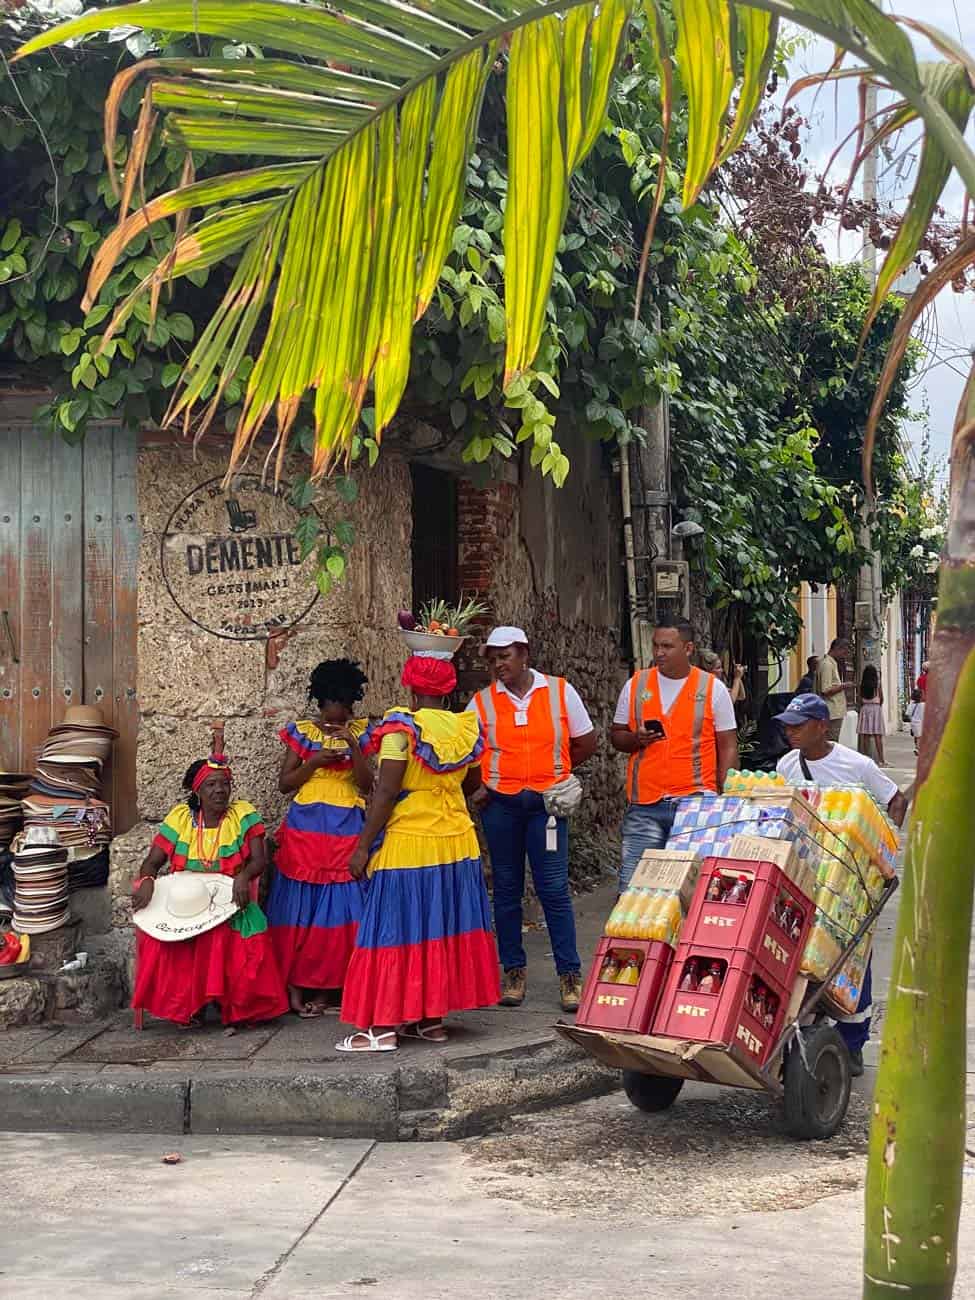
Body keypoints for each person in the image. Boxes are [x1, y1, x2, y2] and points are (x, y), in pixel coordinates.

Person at [336, 652, 500, 1052]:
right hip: (457, 842)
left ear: (410, 688)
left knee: (393, 929)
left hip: (411, 842)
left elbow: (387, 791)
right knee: (438, 927)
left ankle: (382, 1028)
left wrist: (362, 847)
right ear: (447, 690)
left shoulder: (400, 729)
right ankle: (430, 1021)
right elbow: (472, 784)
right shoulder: (465, 728)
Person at [773, 693, 907, 1076]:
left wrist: (885, 849)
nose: (790, 732)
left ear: (821, 726)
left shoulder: (857, 764)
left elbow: (895, 800)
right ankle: (804, 1030)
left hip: (849, 881)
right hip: (805, 874)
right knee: (806, 952)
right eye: (787, 726)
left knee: (853, 959)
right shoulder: (786, 764)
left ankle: (852, 1043)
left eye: (798, 725)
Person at [468, 627, 598, 1013]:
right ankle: (513, 971)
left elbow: (586, 741)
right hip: (501, 807)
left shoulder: (559, 691)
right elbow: (467, 750)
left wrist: (557, 774)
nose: (498, 665)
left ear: (524, 654)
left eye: (504, 656)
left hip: (548, 808)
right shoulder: (481, 702)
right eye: (493, 659)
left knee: (554, 889)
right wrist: (479, 785)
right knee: (507, 889)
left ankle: (569, 975)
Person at [131, 757, 289, 1029]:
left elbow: (259, 860)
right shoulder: (181, 819)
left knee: (236, 935)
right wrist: (147, 879)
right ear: (197, 791)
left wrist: (244, 876)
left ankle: (237, 1008)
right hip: (186, 901)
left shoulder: (242, 815)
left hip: (229, 898)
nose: (219, 790)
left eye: (224, 784)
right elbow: (153, 861)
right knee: (163, 939)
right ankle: (189, 1008)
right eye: (211, 785)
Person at [265, 659, 374, 1018]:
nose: (334, 714)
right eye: (328, 705)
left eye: (341, 706)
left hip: (346, 828)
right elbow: (285, 783)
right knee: (302, 910)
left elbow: (367, 785)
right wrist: (313, 762)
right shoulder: (302, 732)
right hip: (305, 831)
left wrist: (353, 747)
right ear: (320, 700)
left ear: (351, 703)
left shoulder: (362, 732)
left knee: (340, 908)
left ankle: (331, 988)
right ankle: (296, 983)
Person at [610, 621, 739, 891]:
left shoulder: (712, 689)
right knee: (633, 890)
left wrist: (724, 794)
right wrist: (636, 739)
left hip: (696, 803)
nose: (659, 652)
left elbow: (728, 745)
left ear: (688, 648)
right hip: (645, 804)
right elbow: (617, 735)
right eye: (656, 645)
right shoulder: (636, 685)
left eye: (667, 646)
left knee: (691, 890)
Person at [814, 638, 849, 742]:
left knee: (830, 740)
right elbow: (825, 690)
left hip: (832, 711)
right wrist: (843, 686)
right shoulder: (827, 664)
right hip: (831, 711)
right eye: (844, 652)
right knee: (831, 741)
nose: (844, 656)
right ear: (838, 648)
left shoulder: (829, 663)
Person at [856, 664, 886, 765]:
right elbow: (881, 698)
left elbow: (859, 699)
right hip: (876, 709)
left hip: (865, 708)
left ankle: (865, 759)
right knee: (877, 735)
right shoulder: (878, 684)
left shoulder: (862, 685)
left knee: (865, 735)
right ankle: (881, 760)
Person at [906, 687, 925, 755]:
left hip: (913, 724)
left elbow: (908, 714)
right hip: (921, 723)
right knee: (920, 737)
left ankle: (917, 747)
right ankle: (918, 749)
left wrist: (912, 719)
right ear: (921, 697)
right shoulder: (923, 705)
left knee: (916, 736)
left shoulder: (911, 705)